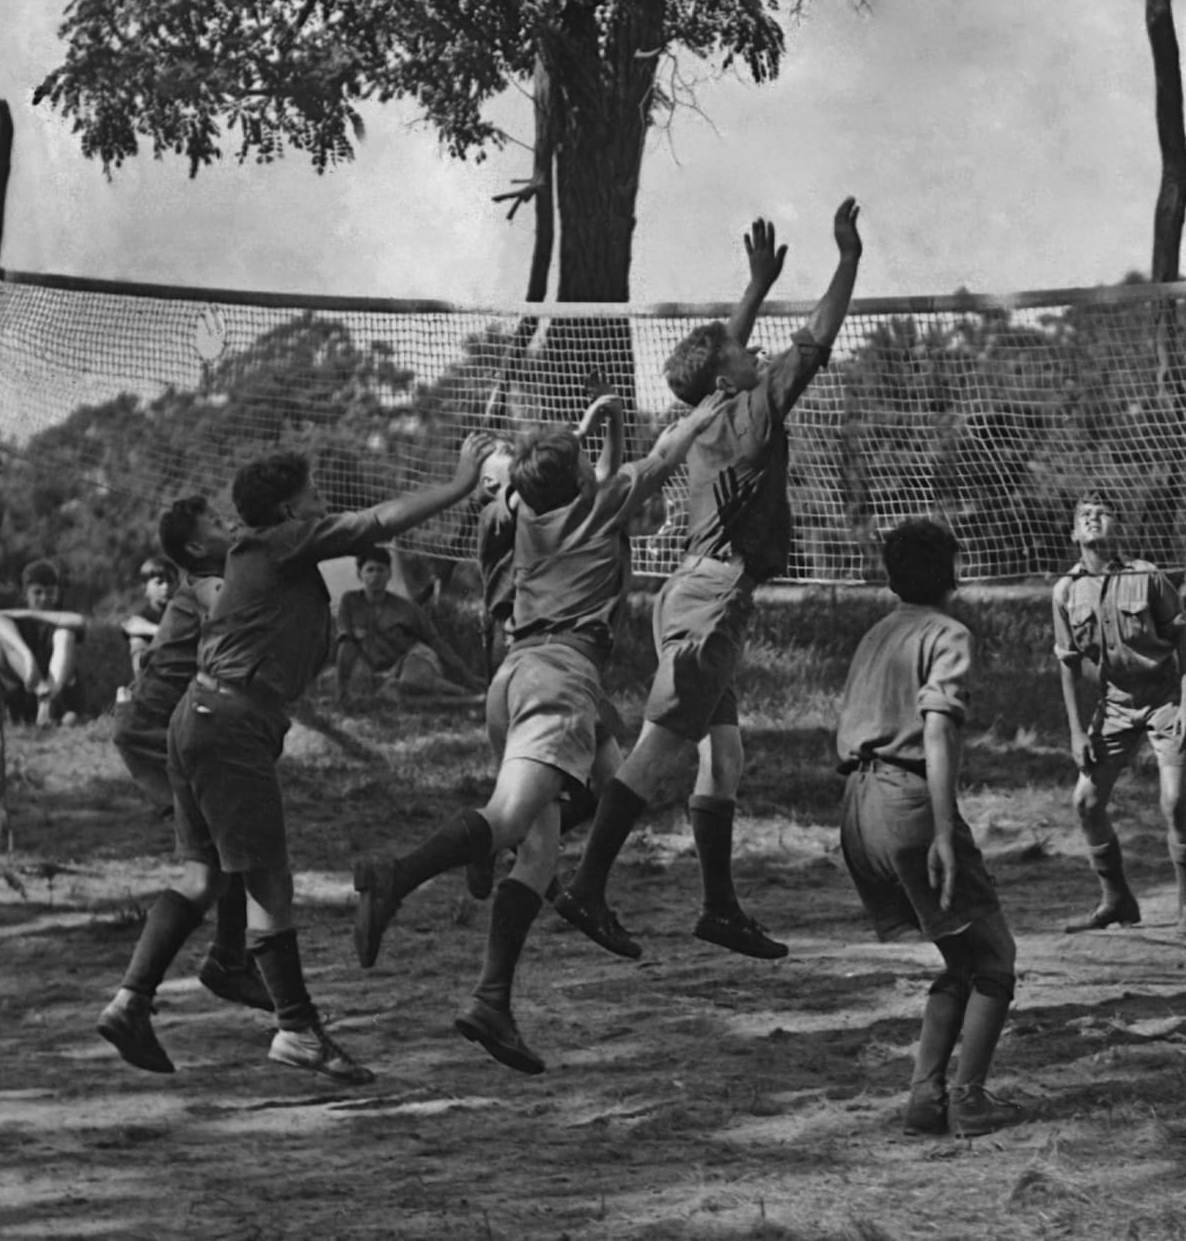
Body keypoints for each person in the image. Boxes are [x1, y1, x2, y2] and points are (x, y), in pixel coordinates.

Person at [92, 432, 491, 1084]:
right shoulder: (279, 541)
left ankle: (132, 1002)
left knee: (204, 876)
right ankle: (298, 1031)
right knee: (269, 883)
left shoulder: (270, 555)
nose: (323, 501)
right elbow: (378, 521)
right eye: (311, 494)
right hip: (230, 726)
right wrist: (459, 484)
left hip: (199, 720)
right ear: (285, 510)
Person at [348, 391, 724, 1074]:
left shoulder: (526, 512)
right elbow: (667, 451)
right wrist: (713, 405)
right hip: (559, 677)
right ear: (577, 476)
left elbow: (593, 469)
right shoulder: (600, 504)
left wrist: (592, 427)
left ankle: (493, 998)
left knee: (543, 847)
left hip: (513, 678)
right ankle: (396, 875)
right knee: (512, 817)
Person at [558, 200, 864, 963]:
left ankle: (720, 908)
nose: (751, 347)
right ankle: (586, 889)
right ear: (725, 375)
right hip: (712, 599)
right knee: (658, 755)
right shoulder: (753, 412)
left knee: (722, 758)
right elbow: (818, 338)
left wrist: (755, 284)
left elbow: (715, 359)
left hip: (689, 594)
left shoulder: (696, 419)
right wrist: (849, 258)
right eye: (740, 348)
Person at [835, 519, 1025, 1136]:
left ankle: (925, 1097)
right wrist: (944, 831)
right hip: (906, 801)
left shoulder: (875, 633)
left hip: (856, 807)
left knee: (960, 957)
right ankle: (969, 1100)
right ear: (955, 572)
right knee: (995, 955)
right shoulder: (947, 633)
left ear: (890, 578)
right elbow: (937, 729)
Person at [109, 496, 268, 1013]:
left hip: (161, 728)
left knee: (226, 848)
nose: (231, 524)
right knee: (219, 853)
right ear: (199, 546)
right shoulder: (206, 587)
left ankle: (219, 962)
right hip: (154, 731)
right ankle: (218, 964)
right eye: (219, 524)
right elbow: (236, 609)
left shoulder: (200, 588)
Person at [1052, 492, 1186, 934]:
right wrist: (1077, 732)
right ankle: (1116, 898)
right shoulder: (1065, 590)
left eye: (1103, 513)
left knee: (1174, 801)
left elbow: (1184, 640)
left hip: (1163, 701)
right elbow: (1066, 663)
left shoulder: (1148, 576)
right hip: (1113, 706)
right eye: (1085, 515)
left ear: (1117, 526)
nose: (1094, 520)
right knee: (1085, 801)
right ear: (1074, 532)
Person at [331, 547, 480, 705]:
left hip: (413, 659)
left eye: (380, 570)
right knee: (389, 696)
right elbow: (346, 643)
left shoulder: (406, 609)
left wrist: (467, 675)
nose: (375, 576)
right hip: (381, 670)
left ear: (389, 574)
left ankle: (464, 694)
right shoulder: (350, 602)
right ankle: (461, 699)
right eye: (370, 570)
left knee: (411, 681)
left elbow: (436, 642)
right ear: (359, 574)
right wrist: (342, 689)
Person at [0, 559, 85, 725]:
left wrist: (31, 614)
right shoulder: (13, 620)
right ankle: (43, 693)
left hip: (56, 692)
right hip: (24, 690)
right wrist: (27, 656)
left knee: (66, 634)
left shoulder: (58, 618)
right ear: (25, 594)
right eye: (37, 593)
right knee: (6, 639)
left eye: (50, 592)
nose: (44, 598)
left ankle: (49, 700)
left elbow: (79, 621)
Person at [121, 556, 179, 687]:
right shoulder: (142, 615)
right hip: (157, 674)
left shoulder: (183, 610)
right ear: (145, 588)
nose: (166, 587)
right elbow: (129, 625)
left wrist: (152, 629)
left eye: (171, 581)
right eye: (159, 582)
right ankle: (144, 683)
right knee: (137, 640)